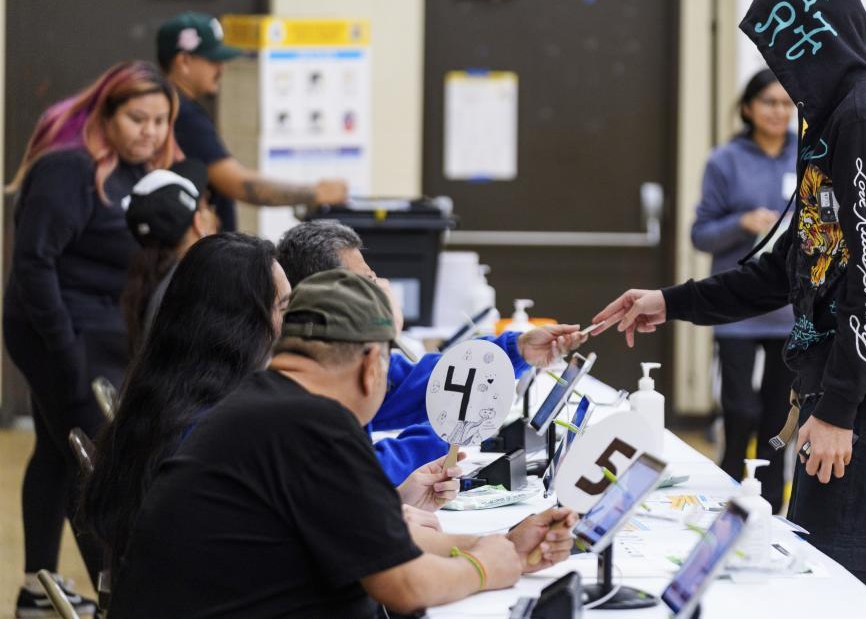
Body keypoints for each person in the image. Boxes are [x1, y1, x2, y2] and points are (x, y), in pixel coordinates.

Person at [592, 0, 866, 609]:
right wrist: (669, 302)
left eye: (787, 52)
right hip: (843, 409)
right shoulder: (834, 125)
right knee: (811, 593)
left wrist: (839, 409)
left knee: (843, 601)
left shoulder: (865, 122)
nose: (784, 75)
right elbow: (787, 270)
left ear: (818, 37)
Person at [108, 269, 577, 617]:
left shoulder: (256, 405)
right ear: (372, 360)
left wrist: (498, 545)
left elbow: (377, 543)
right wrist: (484, 568)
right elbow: (406, 585)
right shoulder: (314, 428)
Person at [3, 60, 180, 616]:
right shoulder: (67, 168)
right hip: (55, 329)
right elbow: (33, 266)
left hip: (92, 329)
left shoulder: (131, 172)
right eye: (137, 118)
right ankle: (117, 598)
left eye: (160, 121)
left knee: (57, 454)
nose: (149, 132)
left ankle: (36, 587)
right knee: (95, 465)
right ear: (106, 113)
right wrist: (65, 356)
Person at [276, 220, 589, 484]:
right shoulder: (307, 389)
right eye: (368, 281)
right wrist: (450, 431)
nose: (382, 286)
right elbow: (357, 472)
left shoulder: (341, 362)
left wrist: (515, 351)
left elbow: (428, 381)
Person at [82, 233, 291, 579]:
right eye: (283, 307)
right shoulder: (223, 433)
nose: (292, 322)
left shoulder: (163, 399)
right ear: (243, 324)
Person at [691, 68, 797, 512]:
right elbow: (700, 235)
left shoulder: (810, 155)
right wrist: (741, 223)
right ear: (748, 108)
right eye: (769, 103)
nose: (779, 112)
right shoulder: (725, 161)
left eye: (787, 104)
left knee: (778, 419)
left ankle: (771, 506)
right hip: (737, 307)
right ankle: (728, 494)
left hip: (789, 309)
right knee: (740, 411)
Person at [156, 12, 348, 232]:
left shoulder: (175, 105)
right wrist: (315, 193)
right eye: (213, 60)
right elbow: (239, 184)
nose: (222, 68)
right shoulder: (183, 113)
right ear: (184, 61)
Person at [121, 158, 219, 354]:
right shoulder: (200, 286)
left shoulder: (149, 286)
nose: (215, 213)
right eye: (207, 205)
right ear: (198, 223)